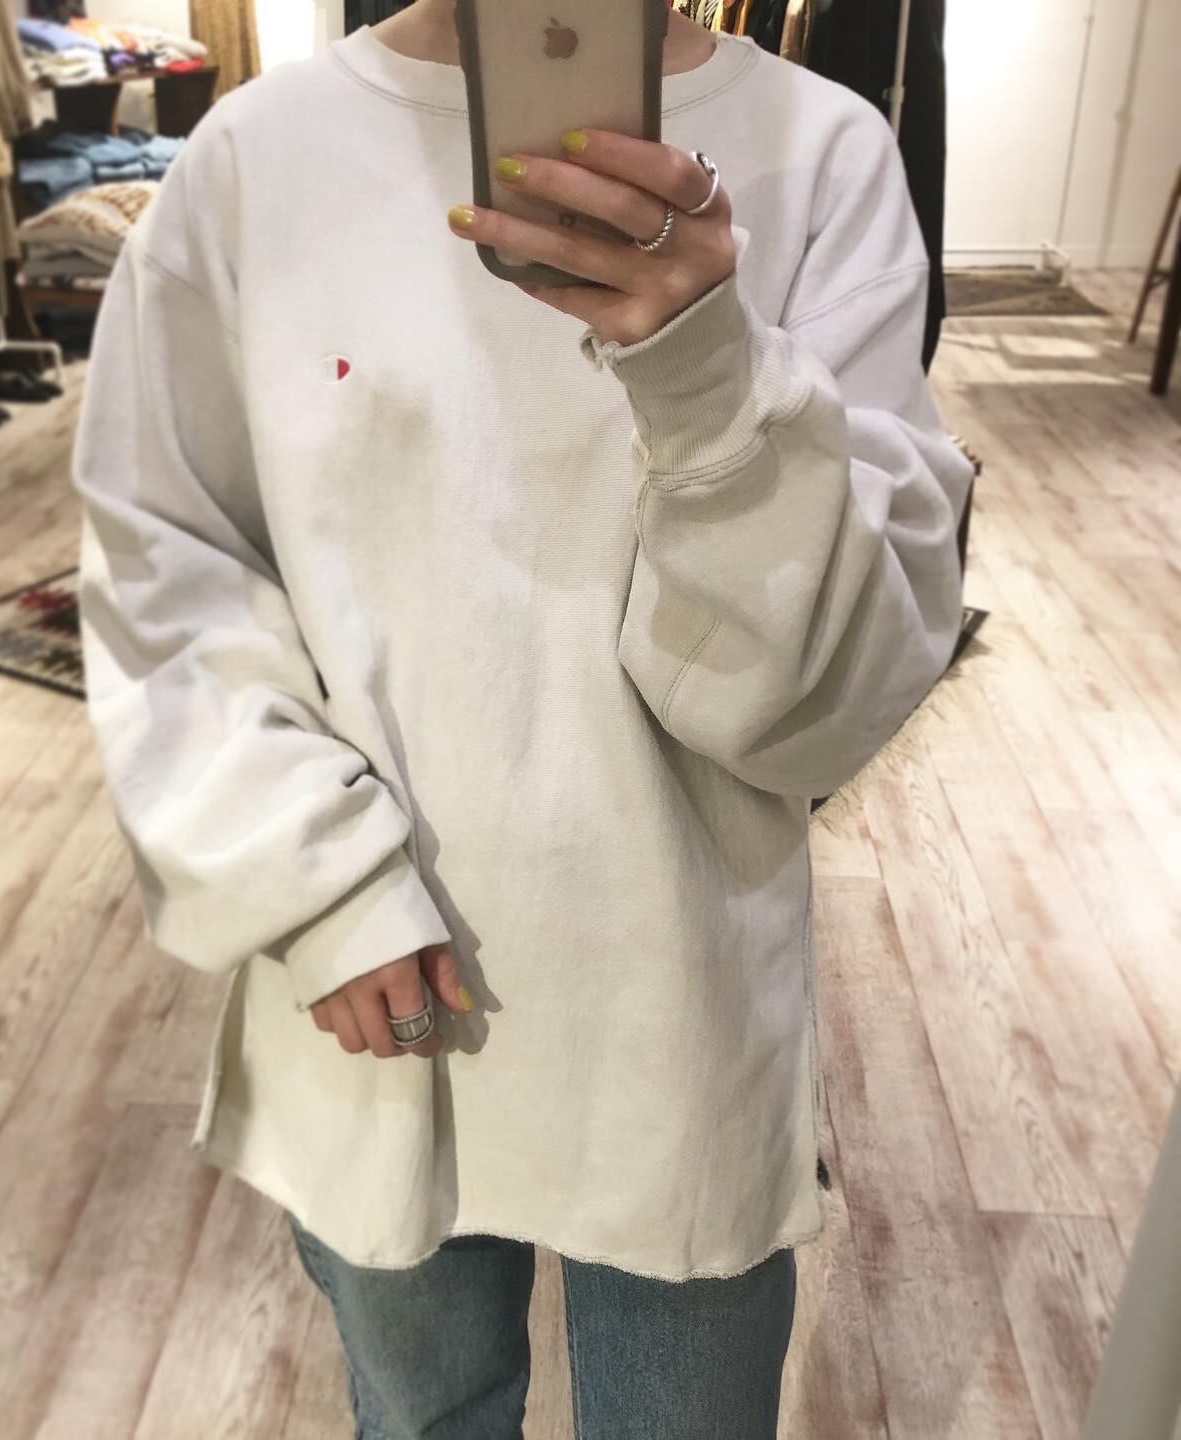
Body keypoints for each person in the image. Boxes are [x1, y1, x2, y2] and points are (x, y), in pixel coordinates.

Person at [71, 0, 971, 1434]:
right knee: (422, 1412)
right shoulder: (256, 160)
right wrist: (317, 885)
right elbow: (167, 567)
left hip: (679, 994)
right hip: (377, 983)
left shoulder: (819, 153)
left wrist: (705, 368)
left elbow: (819, 696)